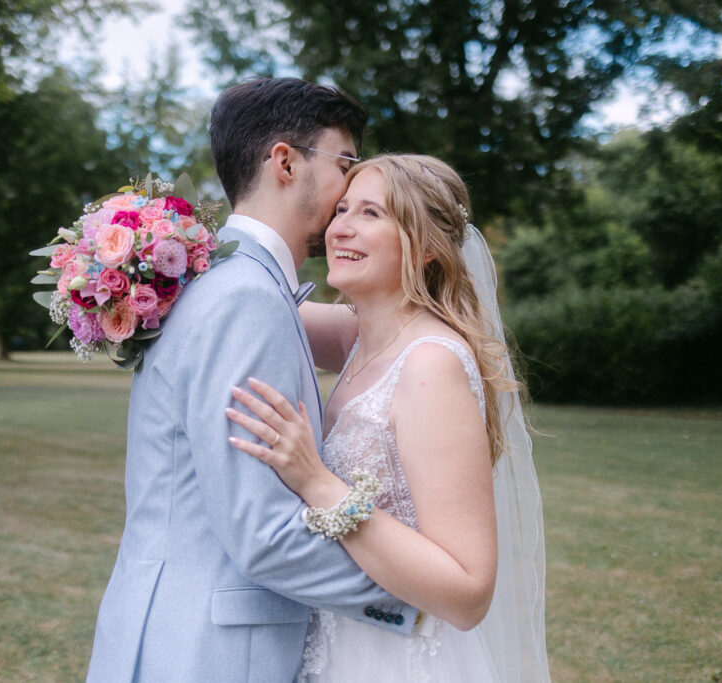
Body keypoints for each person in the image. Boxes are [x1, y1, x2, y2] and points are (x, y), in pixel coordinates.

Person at [86, 78, 419, 683]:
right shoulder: (246, 298)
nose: (352, 183)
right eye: (345, 162)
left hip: (172, 630)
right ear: (285, 162)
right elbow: (263, 534)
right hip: (208, 654)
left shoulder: (225, 281)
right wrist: (417, 599)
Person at [226, 154, 550, 682]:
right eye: (342, 209)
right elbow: (246, 295)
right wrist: (151, 258)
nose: (340, 228)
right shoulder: (362, 336)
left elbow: (468, 593)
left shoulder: (430, 363)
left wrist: (319, 484)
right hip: (336, 646)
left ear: (425, 248)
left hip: (398, 661)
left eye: (371, 214)